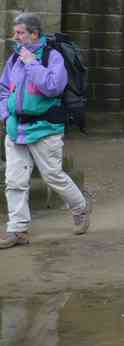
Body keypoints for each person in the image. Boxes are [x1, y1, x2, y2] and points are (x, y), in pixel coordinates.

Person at [0, 13, 91, 248]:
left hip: (45, 128)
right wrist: (5, 114)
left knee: (53, 176)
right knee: (14, 181)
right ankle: (17, 230)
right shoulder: (14, 59)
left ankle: (80, 208)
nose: (16, 37)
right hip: (16, 129)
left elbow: (52, 87)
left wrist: (31, 62)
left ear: (34, 34)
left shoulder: (53, 57)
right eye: (16, 32)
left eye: (20, 33)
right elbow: (3, 89)